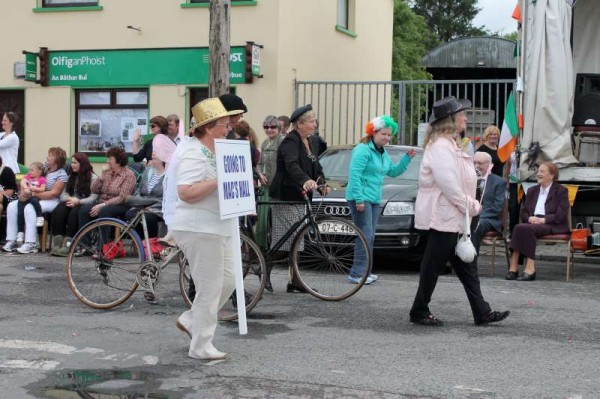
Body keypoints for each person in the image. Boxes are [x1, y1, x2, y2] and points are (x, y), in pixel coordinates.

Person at [409, 96, 509, 327]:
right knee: (433, 266)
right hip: (443, 215)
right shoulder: (441, 147)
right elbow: (449, 185)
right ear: (451, 120)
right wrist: (471, 205)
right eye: (462, 114)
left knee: (466, 266)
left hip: (453, 216)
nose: (466, 117)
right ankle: (419, 311)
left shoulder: (450, 144)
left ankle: (482, 312)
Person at [171, 97, 244, 361]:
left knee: (228, 280)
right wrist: (218, 181)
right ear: (208, 126)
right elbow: (186, 192)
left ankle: (192, 320)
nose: (228, 128)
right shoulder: (193, 151)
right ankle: (201, 345)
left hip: (219, 224)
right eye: (224, 124)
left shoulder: (216, 149)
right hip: (199, 226)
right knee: (210, 286)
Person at [346, 115, 415, 284]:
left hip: (374, 198)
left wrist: (407, 158)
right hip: (360, 198)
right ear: (373, 132)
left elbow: (392, 171)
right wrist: (359, 199)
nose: (387, 138)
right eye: (384, 134)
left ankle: (365, 273)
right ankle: (356, 274)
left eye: (389, 135)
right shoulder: (363, 149)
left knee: (369, 236)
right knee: (365, 235)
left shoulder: (382, 152)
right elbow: (354, 175)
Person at [269, 104, 327, 293]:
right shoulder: (290, 142)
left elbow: (316, 166)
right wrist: (305, 181)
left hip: (301, 197)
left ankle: (295, 280)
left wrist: (320, 182)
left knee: (298, 240)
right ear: (299, 124)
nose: (314, 124)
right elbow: (292, 165)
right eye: (311, 121)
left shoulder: (312, 141)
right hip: (286, 196)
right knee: (285, 240)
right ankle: (263, 270)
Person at [507, 161, 570, 281]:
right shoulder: (532, 190)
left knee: (524, 228)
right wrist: (529, 218)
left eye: (542, 171)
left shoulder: (561, 190)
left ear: (551, 176)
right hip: (533, 221)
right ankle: (513, 268)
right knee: (519, 227)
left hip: (551, 223)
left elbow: (560, 215)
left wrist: (542, 220)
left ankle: (530, 268)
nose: (538, 174)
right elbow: (523, 212)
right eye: (538, 171)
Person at [3, 147, 68, 254]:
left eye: (50, 155)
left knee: (30, 208)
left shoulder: (61, 174)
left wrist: (33, 194)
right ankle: (12, 239)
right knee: (12, 206)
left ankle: (31, 243)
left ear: (56, 159)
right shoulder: (44, 168)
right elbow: (27, 178)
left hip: (52, 200)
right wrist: (24, 191)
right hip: (33, 197)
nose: (47, 157)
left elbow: (54, 193)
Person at [78, 147, 137, 233]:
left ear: (119, 161)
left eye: (110, 159)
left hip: (121, 205)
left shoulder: (129, 175)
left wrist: (104, 205)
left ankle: (104, 245)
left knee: (104, 211)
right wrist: (101, 176)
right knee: (84, 210)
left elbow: (122, 197)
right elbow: (93, 189)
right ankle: (85, 244)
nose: (107, 161)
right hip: (102, 203)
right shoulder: (107, 172)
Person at [49, 152, 97, 257]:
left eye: (75, 163)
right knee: (58, 211)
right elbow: (63, 194)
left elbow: (94, 197)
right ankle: (57, 244)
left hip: (83, 204)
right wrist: (71, 199)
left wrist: (78, 201)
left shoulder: (93, 178)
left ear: (82, 164)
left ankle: (68, 244)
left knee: (74, 214)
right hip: (71, 202)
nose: (72, 165)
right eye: (72, 163)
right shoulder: (71, 176)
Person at [469, 152, 506, 260]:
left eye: (480, 163)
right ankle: (452, 261)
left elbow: (497, 208)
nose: (476, 166)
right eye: (474, 163)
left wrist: (476, 216)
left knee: (475, 225)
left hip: (489, 219)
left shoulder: (499, 182)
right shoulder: (469, 179)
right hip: (469, 216)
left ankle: (471, 261)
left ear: (489, 164)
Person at [125, 150, 166, 239]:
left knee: (148, 218)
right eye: (153, 153)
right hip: (142, 205)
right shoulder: (148, 171)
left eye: (157, 153)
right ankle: (140, 243)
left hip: (159, 208)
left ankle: (152, 245)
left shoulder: (169, 175)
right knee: (129, 214)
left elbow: (166, 198)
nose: (153, 155)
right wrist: (139, 202)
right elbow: (138, 190)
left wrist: (151, 206)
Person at [17, 162, 47, 231]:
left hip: (35, 196)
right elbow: (22, 182)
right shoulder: (28, 176)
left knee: (34, 200)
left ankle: (39, 216)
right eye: (29, 170)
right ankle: (20, 232)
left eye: (32, 170)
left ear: (39, 171)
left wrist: (34, 189)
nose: (30, 172)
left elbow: (42, 189)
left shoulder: (42, 179)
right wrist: (26, 188)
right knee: (20, 209)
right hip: (26, 195)